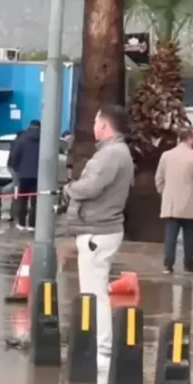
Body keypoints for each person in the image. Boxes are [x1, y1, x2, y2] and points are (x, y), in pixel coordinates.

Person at [62, 105, 134, 362]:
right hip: (102, 229)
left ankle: (102, 347)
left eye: (95, 122)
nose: (93, 126)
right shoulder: (117, 153)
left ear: (105, 125)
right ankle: (99, 342)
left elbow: (91, 187)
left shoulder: (110, 155)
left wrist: (70, 189)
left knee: (94, 292)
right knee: (94, 290)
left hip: (98, 230)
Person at [155, 126, 193, 274]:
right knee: (189, 236)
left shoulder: (166, 155)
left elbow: (159, 178)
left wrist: (165, 193)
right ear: (189, 138)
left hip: (171, 204)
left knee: (170, 236)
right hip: (190, 203)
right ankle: (189, 263)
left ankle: (168, 265)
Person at [8, 119, 41, 230]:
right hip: (38, 175)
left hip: (23, 174)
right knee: (35, 201)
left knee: (23, 199)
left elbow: (14, 157)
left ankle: (21, 223)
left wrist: (18, 169)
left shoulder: (22, 139)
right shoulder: (44, 140)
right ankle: (32, 224)